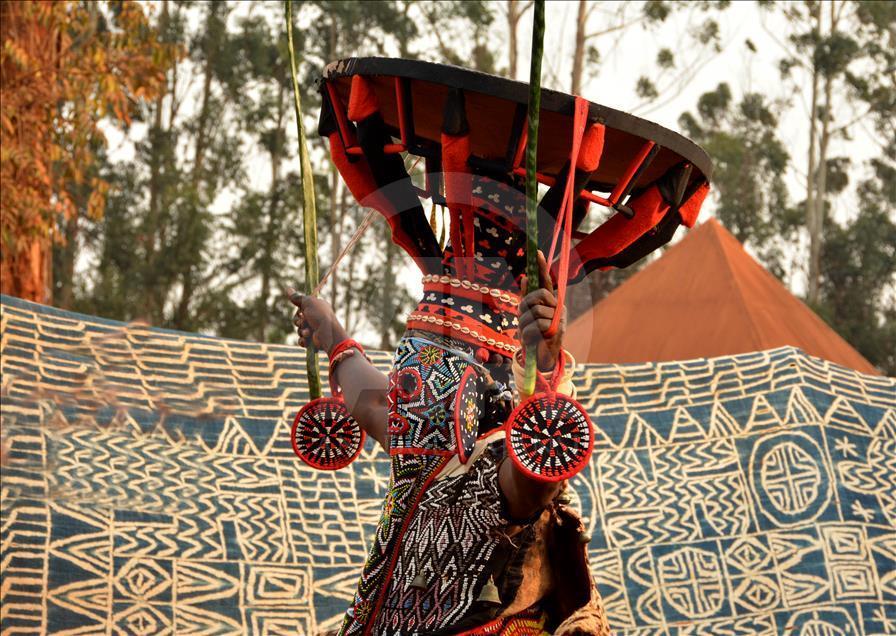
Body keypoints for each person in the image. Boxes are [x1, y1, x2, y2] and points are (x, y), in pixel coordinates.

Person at [288, 237, 610, 636]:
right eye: (404, 372)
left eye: (415, 375)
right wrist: (331, 333)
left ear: (470, 394)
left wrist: (543, 369)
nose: (399, 390)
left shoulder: (495, 467)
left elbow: (536, 477)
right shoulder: (418, 455)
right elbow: (371, 406)